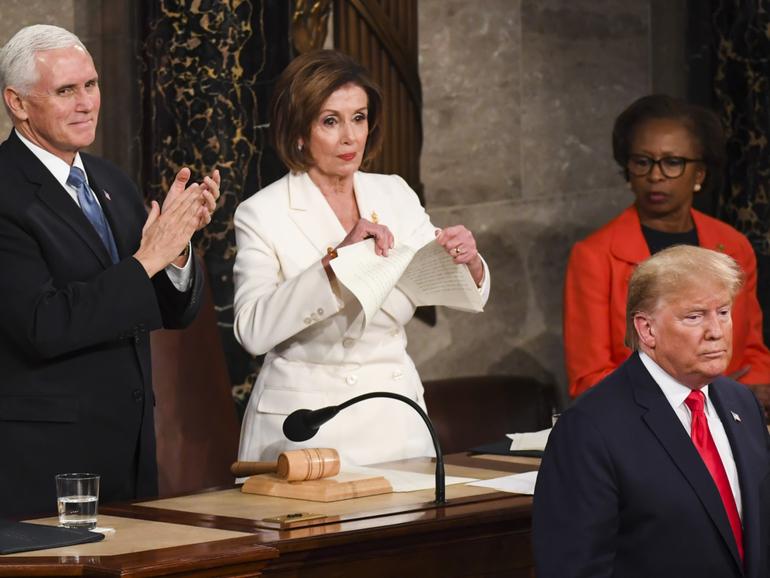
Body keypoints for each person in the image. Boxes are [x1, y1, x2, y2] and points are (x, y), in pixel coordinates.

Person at [0, 25, 220, 517]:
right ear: (17, 103)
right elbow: (44, 324)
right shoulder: (5, 192)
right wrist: (147, 260)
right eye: (65, 91)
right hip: (43, 466)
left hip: (131, 457)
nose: (86, 103)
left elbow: (167, 311)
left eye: (91, 85)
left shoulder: (111, 182)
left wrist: (178, 253)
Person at [233, 49, 490, 466]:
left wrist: (468, 262)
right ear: (299, 131)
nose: (350, 137)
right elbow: (252, 330)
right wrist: (336, 264)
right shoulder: (263, 212)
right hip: (307, 429)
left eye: (359, 118)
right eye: (330, 121)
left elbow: (439, 277)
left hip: (395, 417)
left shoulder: (394, 193)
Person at [535, 245, 770, 578]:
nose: (716, 331)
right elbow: (574, 567)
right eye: (695, 316)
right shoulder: (590, 428)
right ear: (647, 330)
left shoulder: (742, 403)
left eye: (723, 312)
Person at [564, 94, 770, 406]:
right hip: (639, 423)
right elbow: (588, 378)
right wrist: (689, 398)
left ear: (699, 174)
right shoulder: (594, 256)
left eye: (673, 162)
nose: (655, 175)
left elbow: (752, 353)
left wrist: (747, 394)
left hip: (729, 417)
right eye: (642, 162)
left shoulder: (733, 246)